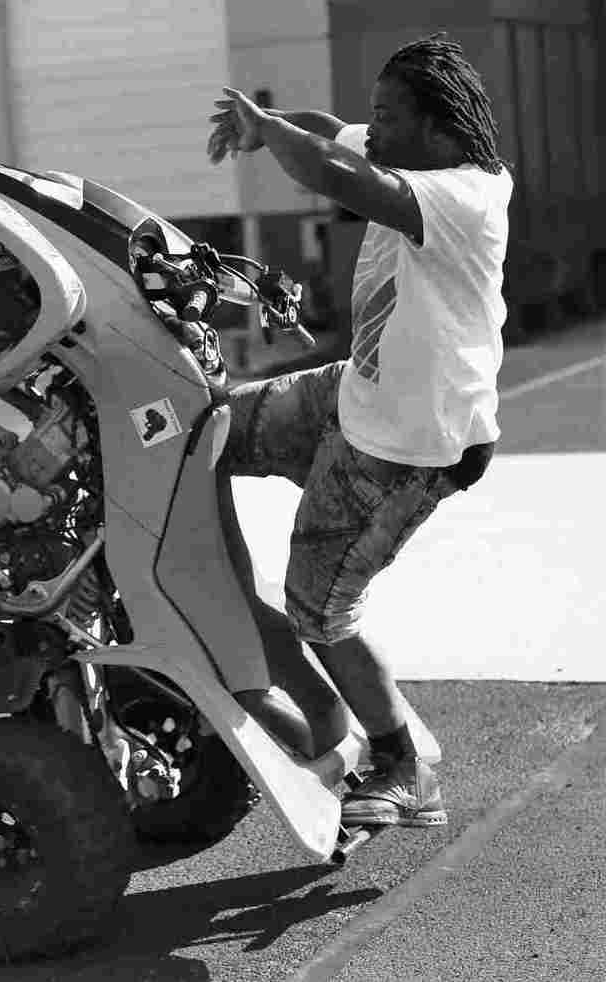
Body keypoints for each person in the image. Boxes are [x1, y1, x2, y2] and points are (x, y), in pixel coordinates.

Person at [206, 34, 512, 827]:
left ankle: (402, 765)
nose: (367, 128)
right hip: (354, 398)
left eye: (385, 116)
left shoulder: (461, 194)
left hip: (408, 449)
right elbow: (329, 133)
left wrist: (269, 134)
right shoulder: (403, 154)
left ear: (439, 129)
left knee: (321, 608)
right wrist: (270, 121)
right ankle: (227, 597)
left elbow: (333, 167)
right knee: (204, 429)